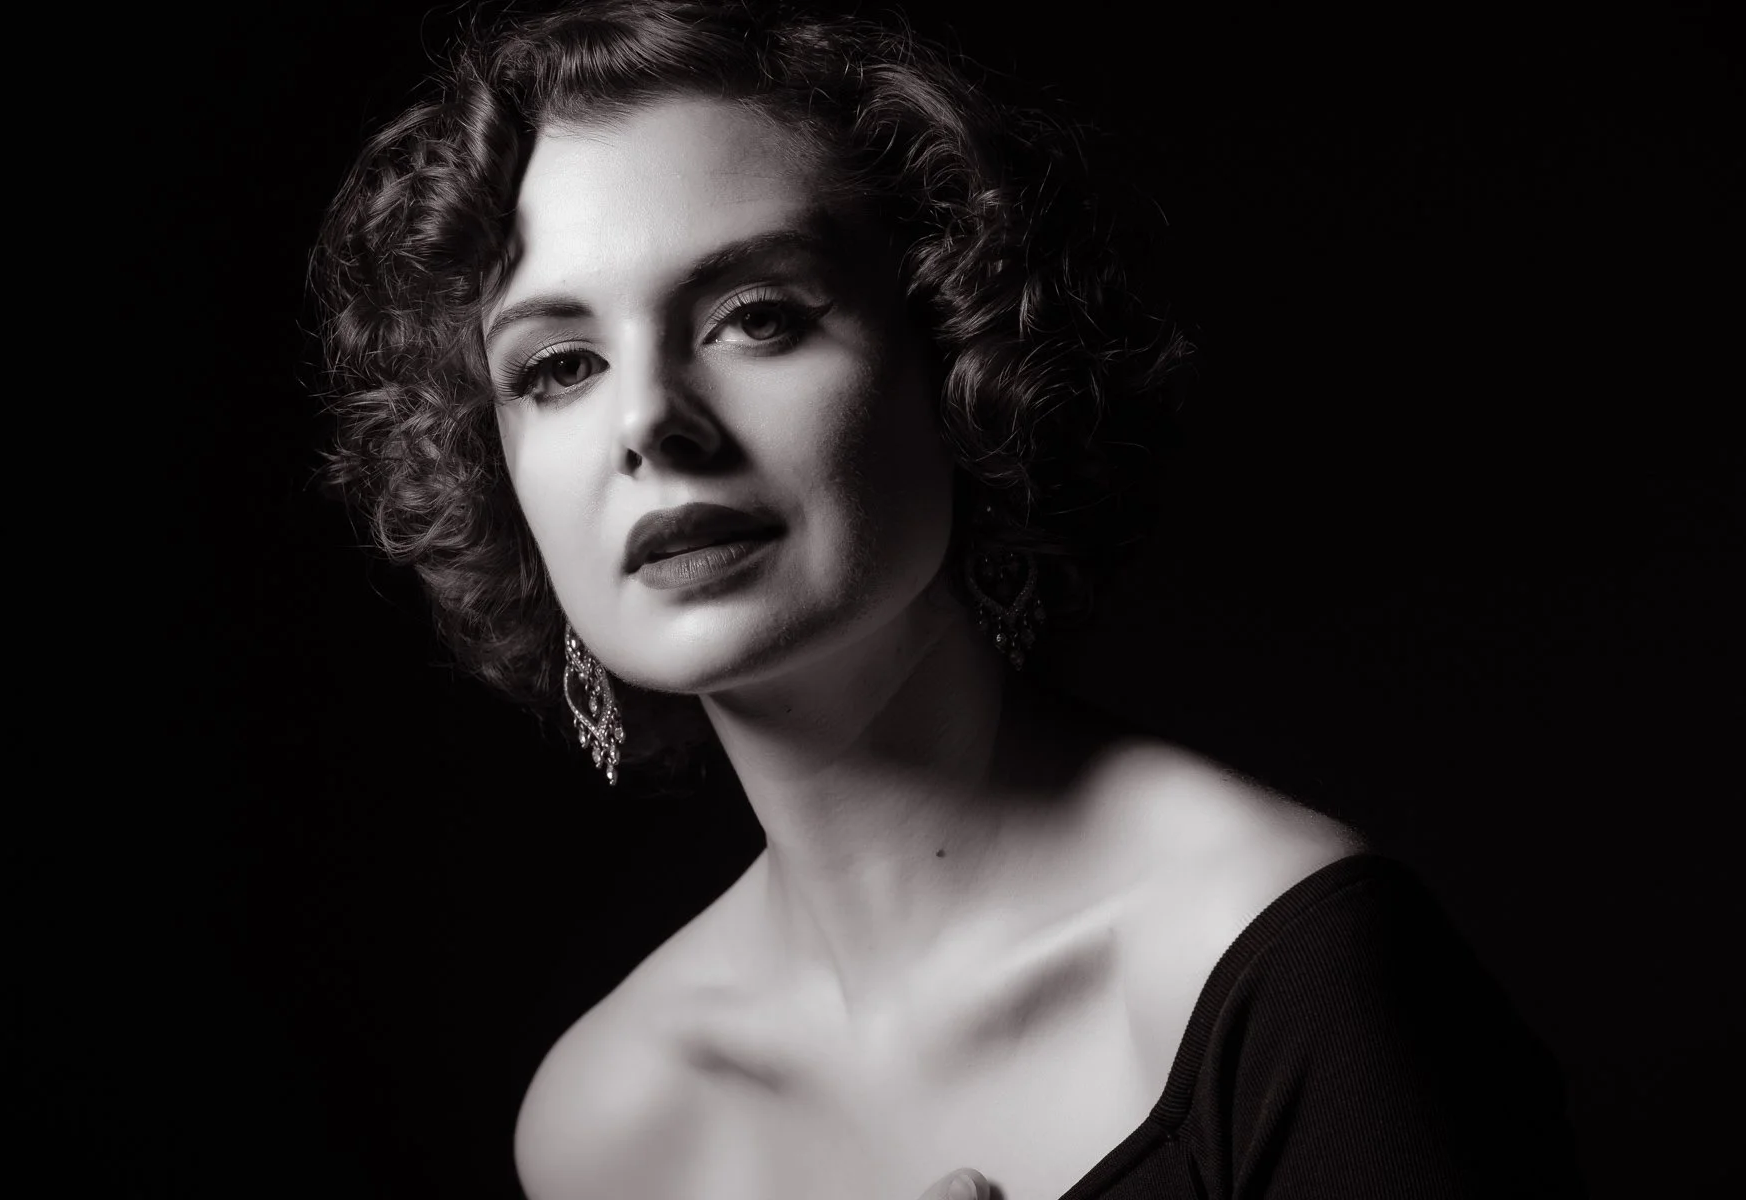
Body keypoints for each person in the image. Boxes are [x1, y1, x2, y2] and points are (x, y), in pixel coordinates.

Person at [311, 2, 1585, 1196]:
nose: (649, 420)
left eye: (755, 315)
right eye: (561, 365)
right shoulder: (606, 1126)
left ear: (957, 355)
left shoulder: (1291, 970)